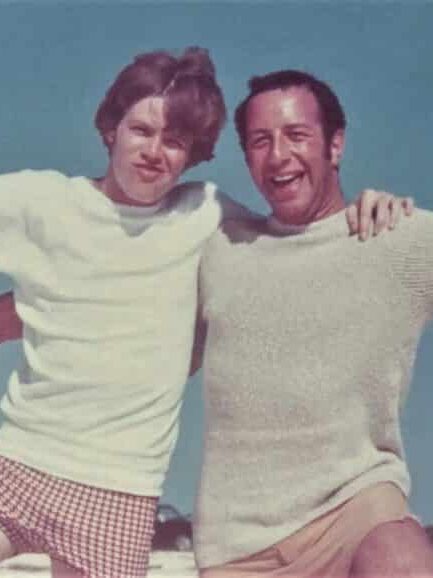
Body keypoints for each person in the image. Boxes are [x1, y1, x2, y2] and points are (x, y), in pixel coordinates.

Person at [0, 50, 412, 577]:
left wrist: (364, 209)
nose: (154, 151)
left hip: (118, 490)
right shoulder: (41, 202)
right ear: (110, 129)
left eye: (175, 141)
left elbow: (293, 239)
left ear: (193, 154)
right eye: (141, 130)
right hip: (18, 458)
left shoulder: (204, 214)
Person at [190, 70, 433, 577]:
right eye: (260, 141)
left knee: (401, 558)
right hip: (237, 549)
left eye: (296, 135)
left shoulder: (397, 237)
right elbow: (108, 305)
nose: (278, 156)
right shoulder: (217, 248)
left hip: (356, 511)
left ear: (335, 144)